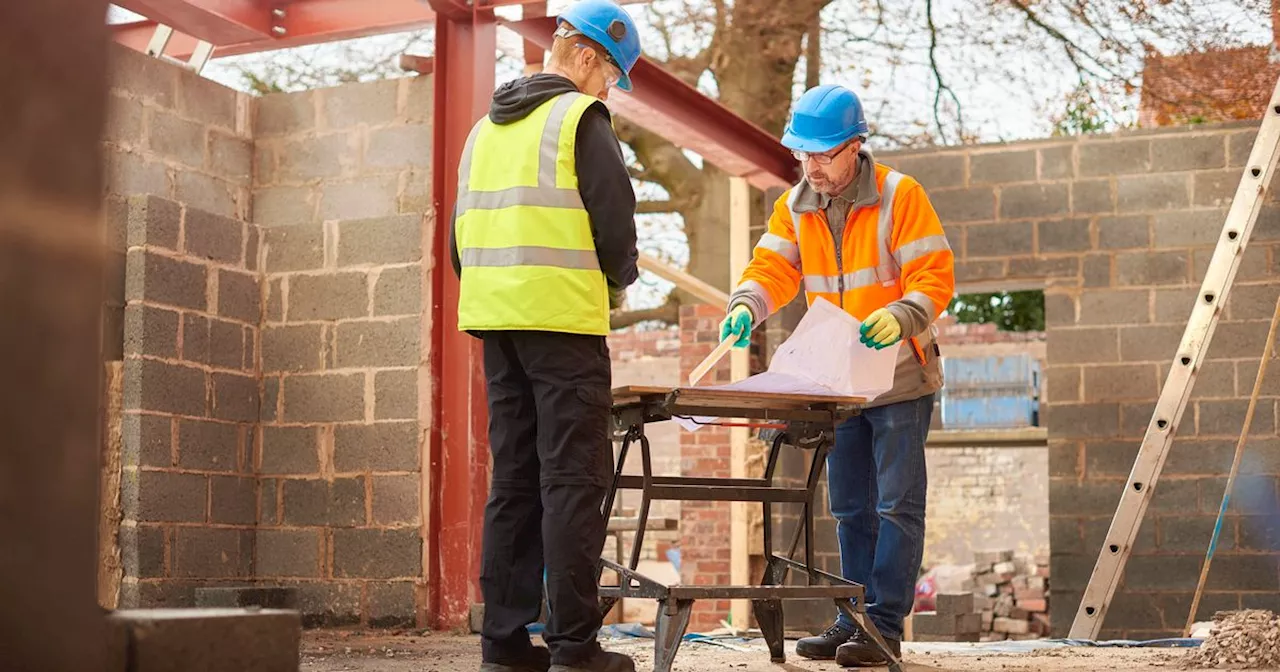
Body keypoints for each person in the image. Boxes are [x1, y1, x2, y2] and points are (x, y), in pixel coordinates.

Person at [720, 84, 955, 667]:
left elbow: (934, 276)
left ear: (856, 146)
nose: (812, 166)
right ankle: (851, 616)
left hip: (901, 378)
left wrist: (901, 316)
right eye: (804, 154)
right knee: (849, 505)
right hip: (841, 384)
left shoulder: (902, 195)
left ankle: (883, 627)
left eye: (824, 154)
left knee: (896, 504)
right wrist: (748, 302)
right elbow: (773, 266)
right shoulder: (795, 204)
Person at [448, 1, 643, 670]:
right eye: (612, 73)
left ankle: (502, 646)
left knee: (515, 482)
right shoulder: (578, 119)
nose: (608, 87)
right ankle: (573, 648)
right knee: (572, 482)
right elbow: (615, 228)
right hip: (561, 326)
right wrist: (617, 283)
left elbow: (457, 243)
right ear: (587, 55)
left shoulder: (485, 131)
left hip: (497, 327)